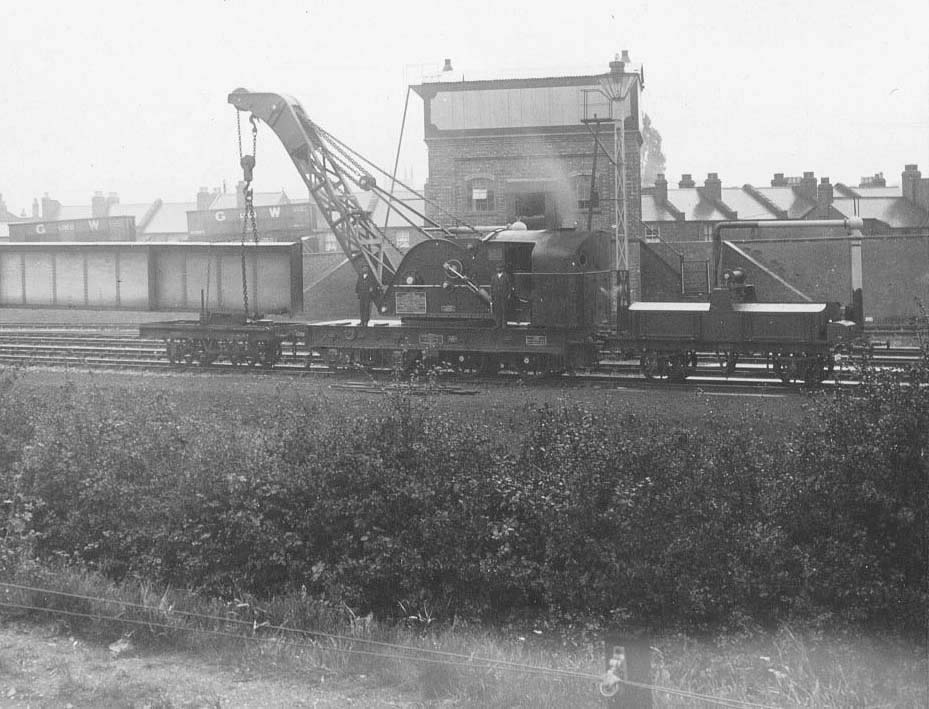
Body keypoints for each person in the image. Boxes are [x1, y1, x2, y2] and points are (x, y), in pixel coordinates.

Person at [490, 263, 513, 328]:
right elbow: (491, 286)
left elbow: (509, 286)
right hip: (496, 295)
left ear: (502, 269)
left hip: (504, 295)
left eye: (500, 268)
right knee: (497, 310)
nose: (499, 269)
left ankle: (504, 324)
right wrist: (492, 295)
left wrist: (509, 294)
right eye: (497, 268)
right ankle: (498, 324)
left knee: (504, 310)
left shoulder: (506, 276)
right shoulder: (494, 277)